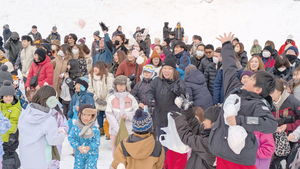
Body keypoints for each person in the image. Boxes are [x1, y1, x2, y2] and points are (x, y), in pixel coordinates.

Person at [209, 32, 277, 168]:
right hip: (222, 152)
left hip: (239, 159)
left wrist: (241, 120)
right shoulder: (235, 88)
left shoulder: (257, 104)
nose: (246, 79)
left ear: (258, 90)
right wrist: (227, 45)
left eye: (252, 79)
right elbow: (229, 69)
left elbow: (270, 124)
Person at [18, 85, 65, 169]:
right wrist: (62, 134)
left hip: (25, 157)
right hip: (41, 159)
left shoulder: (24, 113)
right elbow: (53, 140)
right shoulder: (48, 120)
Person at [146, 57, 186, 154]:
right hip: (160, 118)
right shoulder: (156, 81)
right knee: (161, 144)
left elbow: (184, 95)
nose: (166, 71)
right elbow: (149, 92)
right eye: (165, 68)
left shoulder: (178, 81)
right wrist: (150, 99)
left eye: (169, 69)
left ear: (174, 70)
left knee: (172, 146)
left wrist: (179, 94)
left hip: (173, 120)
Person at [173, 105, 220, 169]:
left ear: (214, 124)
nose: (203, 122)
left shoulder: (211, 143)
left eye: (205, 120)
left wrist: (179, 119)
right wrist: (187, 110)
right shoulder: (209, 132)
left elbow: (187, 137)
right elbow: (196, 127)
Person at [269, 79, 300, 168]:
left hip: (292, 139)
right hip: (275, 139)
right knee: (274, 165)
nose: (269, 94)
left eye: (272, 91)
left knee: (291, 164)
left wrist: (288, 126)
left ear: (279, 91)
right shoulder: (269, 103)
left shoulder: (293, 102)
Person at [106, 75, 139, 157]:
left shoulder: (131, 98)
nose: (121, 87)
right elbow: (109, 114)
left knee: (128, 151)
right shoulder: (111, 98)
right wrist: (117, 128)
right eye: (118, 85)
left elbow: (136, 112)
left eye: (123, 85)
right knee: (116, 151)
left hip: (129, 130)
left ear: (126, 86)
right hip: (114, 131)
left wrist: (127, 115)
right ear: (115, 86)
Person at [68, 104, 100, 168]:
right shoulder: (75, 127)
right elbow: (71, 138)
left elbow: (97, 141)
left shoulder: (95, 129)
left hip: (92, 153)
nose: (86, 117)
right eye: (84, 115)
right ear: (80, 115)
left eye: (89, 115)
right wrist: (78, 146)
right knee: (78, 167)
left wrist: (89, 147)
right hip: (79, 152)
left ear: (92, 116)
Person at [88, 61, 114, 135]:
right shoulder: (91, 76)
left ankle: (108, 129)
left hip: (107, 99)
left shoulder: (108, 76)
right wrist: (96, 98)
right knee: (99, 113)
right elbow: (90, 89)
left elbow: (110, 88)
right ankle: (101, 128)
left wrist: (106, 100)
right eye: (94, 67)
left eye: (98, 67)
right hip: (97, 98)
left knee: (108, 114)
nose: (95, 69)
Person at [0, 80, 21, 168]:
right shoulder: (2, 107)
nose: (8, 98)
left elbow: (14, 123)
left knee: (7, 155)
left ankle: (11, 165)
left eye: (10, 96)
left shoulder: (14, 109)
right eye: (6, 96)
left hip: (10, 139)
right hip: (2, 138)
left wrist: (11, 136)